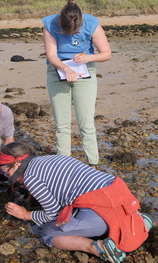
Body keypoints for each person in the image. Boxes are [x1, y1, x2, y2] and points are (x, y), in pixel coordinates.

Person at [0, 142, 153, 263]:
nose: (8, 177)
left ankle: (97, 247)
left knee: (49, 234)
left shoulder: (31, 178)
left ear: (17, 165)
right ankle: (137, 220)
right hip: (122, 196)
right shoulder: (51, 159)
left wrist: (25, 214)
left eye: (7, 172)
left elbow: (52, 214)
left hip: (100, 210)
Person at [42, 0, 112, 168]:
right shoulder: (50, 23)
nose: (72, 34)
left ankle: (92, 164)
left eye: (76, 31)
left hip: (85, 71)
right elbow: (52, 56)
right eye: (67, 32)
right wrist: (66, 69)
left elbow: (106, 53)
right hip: (57, 71)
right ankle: (63, 165)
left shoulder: (92, 23)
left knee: (86, 123)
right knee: (62, 124)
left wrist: (88, 57)